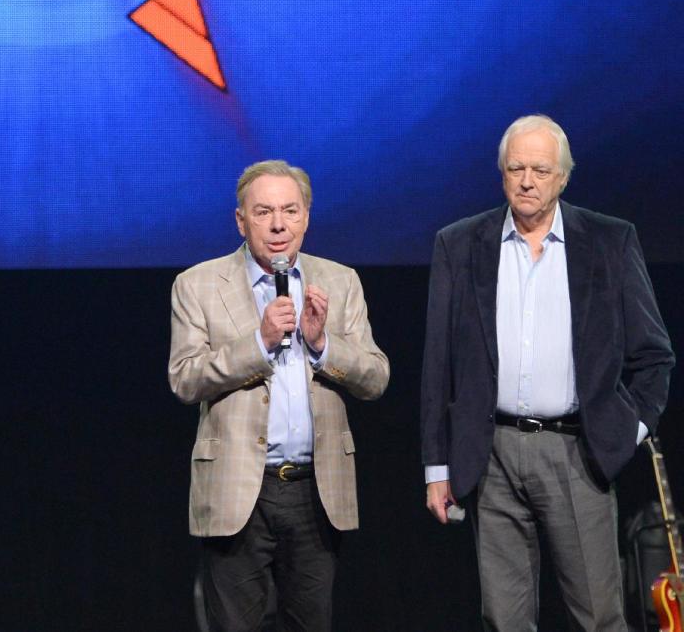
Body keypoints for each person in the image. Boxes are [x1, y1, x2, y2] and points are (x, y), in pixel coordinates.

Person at [421, 114, 675, 632]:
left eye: (540, 169)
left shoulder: (609, 241)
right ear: (502, 174)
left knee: (598, 617)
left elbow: (654, 357)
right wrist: (437, 467)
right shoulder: (460, 244)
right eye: (516, 168)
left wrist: (625, 433)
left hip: (577, 453)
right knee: (503, 619)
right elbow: (438, 366)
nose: (527, 180)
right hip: (491, 453)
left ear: (563, 177)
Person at [169, 159, 389, 632]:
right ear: (240, 220)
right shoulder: (198, 285)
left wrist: (322, 344)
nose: (277, 224)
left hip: (315, 491)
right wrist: (258, 344)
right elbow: (185, 379)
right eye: (263, 211)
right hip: (237, 491)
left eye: (290, 210)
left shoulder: (340, 281)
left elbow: (375, 377)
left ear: (307, 216)